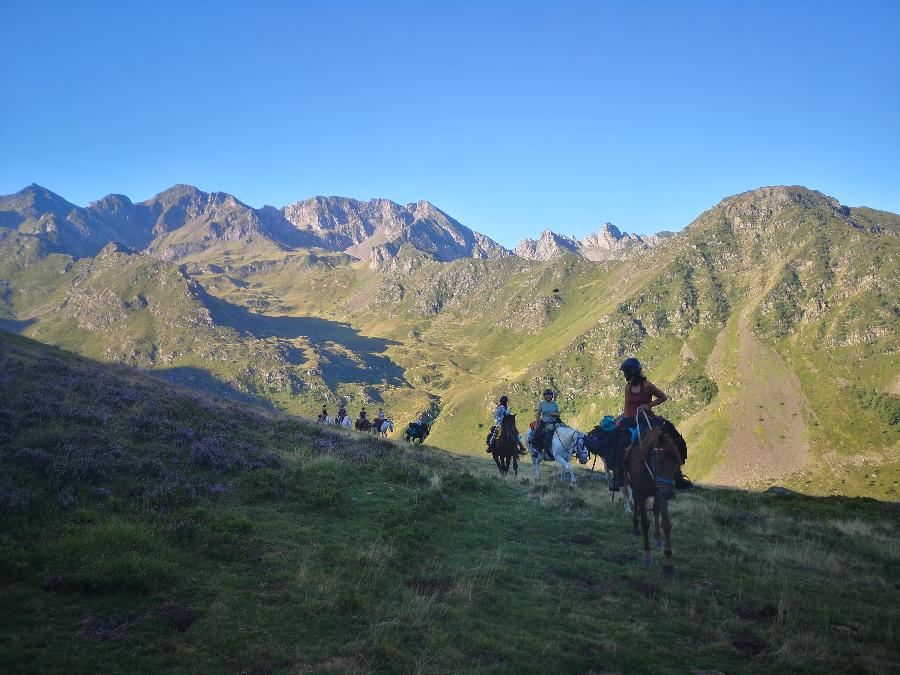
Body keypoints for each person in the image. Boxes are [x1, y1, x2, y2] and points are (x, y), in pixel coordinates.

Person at [618, 358, 692, 489]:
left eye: (625, 372)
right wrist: (621, 420)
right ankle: (619, 475)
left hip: (645, 419)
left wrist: (648, 405)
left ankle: (675, 475)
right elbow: (626, 405)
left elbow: (663, 397)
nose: (624, 375)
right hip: (630, 421)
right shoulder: (627, 387)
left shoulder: (647, 386)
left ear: (632, 372)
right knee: (617, 442)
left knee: (663, 438)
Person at [531, 388, 561, 454]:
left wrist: (554, 414)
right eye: (547, 395)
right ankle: (536, 450)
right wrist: (536, 424)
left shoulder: (554, 404)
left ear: (552, 396)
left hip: (554, 422)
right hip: (544, 422)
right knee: (538, 434)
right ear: (544, 396)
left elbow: (558, 414)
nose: (548, 396)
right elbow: (538, 414)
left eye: (550, 395)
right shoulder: (542, 403)